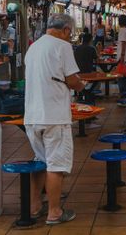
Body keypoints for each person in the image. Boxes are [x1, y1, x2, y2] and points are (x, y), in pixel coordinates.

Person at [24, 13, 85, 225]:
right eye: (70, 33)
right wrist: (80, 85)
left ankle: (34, 207)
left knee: (40, 161)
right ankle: (54, 212)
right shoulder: (62, 46)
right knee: (56, 165)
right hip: (54, 116)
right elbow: (71, 79)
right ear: (66, 30)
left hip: (32, 116)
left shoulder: (33, 47)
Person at [74, 33, 100, 103]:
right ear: (91, 40)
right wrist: (98, 51)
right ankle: (88, 92)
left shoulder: (77, 48)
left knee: (82, 79)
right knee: (98, 76)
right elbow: (98, 61)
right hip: (88, 72)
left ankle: (83, 92)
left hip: (77, 72)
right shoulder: (91, 48)